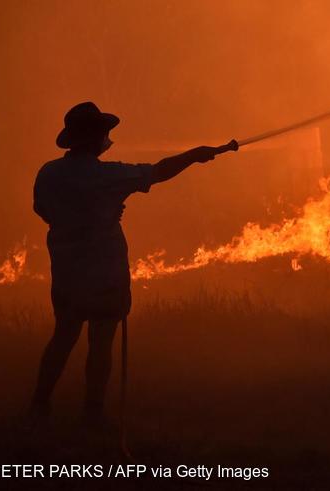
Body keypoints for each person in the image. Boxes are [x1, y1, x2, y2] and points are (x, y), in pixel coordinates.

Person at [29, 101, 238, 427]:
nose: (107, 139)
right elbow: (159, 171)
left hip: (67, 271)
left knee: (63, 337)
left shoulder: (49, 173)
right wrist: (195, 155)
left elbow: (42, 210)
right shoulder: (107, 176)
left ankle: (39, 405)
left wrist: (83, 220)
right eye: (104, 134)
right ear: (96, 137)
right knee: (101, 343)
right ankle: (93, 413)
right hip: (104, 273)